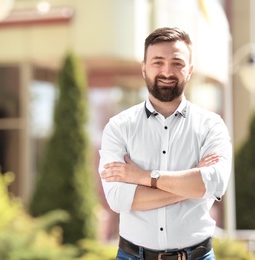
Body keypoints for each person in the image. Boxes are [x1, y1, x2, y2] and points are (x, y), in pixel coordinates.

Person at [99, 27, 232, 260]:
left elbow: (214, 184)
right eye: (158, 62)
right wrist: (190, 186)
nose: (167, 71)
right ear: (144, 68)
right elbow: (118, 199)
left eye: (177, 63)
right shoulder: (118, 127)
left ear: (189, 70)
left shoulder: (212, 125)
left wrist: (142, 177)